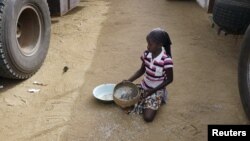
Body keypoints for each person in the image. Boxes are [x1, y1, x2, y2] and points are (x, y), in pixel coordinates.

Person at [124, 28, 173, 122]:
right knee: (124, 98)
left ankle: (157, 98)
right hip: (144, 86)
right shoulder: (146, 54)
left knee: (148, 118)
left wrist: (153, 91)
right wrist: (129, 81)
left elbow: (170, 79)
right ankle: (145, 100)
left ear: (160, 45)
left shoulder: (166, 60)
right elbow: (141, 70)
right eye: (147, 43)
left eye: (150, 44)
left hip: (156, 89)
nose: (148, 46)